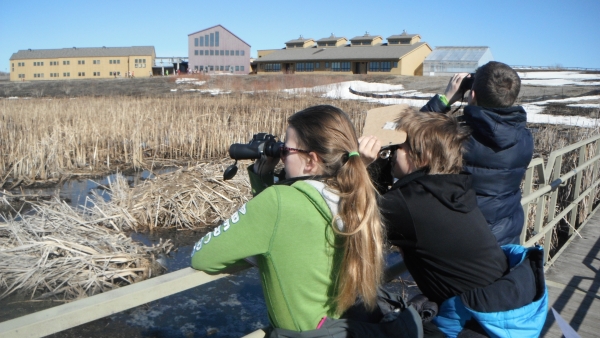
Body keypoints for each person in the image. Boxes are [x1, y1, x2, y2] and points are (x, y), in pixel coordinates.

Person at [191, 105, 422, 336]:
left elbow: (202, 257)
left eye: (285, 151)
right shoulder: (356, 197)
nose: (281, 158)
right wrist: (262, 181)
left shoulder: (278, 202)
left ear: (311, 161)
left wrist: (265, 193)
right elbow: (289, 234)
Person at [359, 106, 547, 337]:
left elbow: (350, 220)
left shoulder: (411, 203)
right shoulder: (453, 187)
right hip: (504, 311)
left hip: (476, 324)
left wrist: (361, 166)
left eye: (399, 147)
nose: (393, 151)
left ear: (423, 156)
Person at [420, 61, 533, 246]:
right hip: (505, 235)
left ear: (472, 94)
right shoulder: (525, 138)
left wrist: (446, 98)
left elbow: (414, 134)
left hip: (464, 237)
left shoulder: (456, 136)